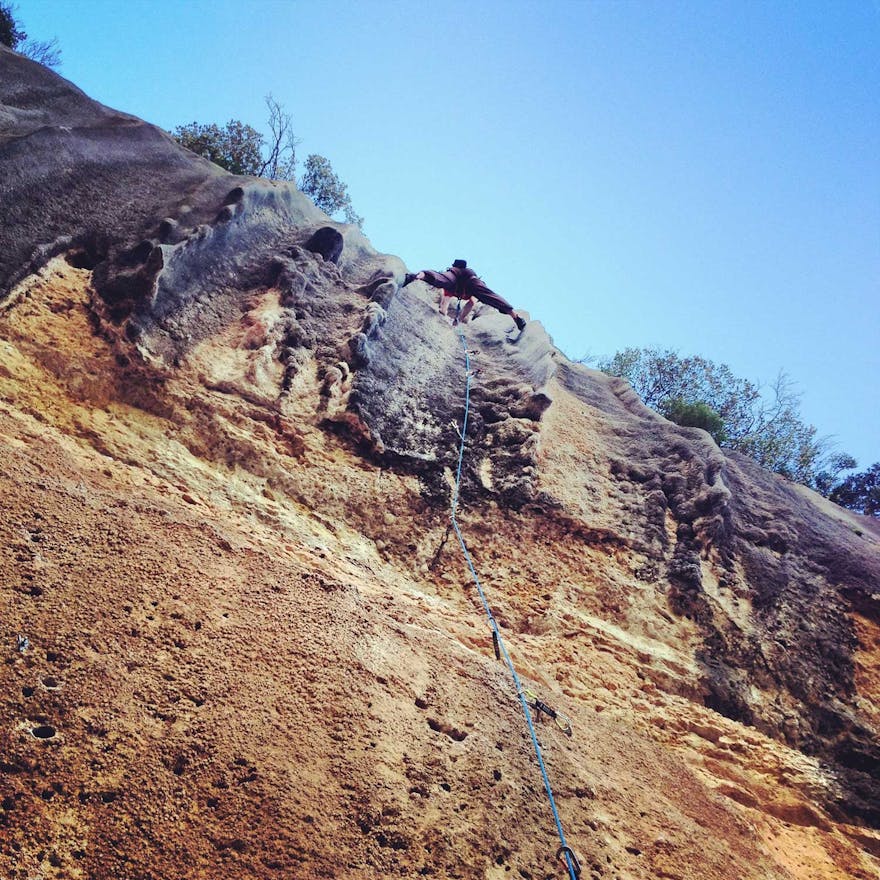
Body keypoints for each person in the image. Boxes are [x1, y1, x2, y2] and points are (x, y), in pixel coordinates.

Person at [402, 259, 526, 331]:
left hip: (457, 278)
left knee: (438, 277)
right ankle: (515, 317)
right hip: (472, 280)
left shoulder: (453, 275)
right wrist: (458, 320)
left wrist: (444, 314)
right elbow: (472, 302)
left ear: (454, 266)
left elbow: (444, 304)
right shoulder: (469, 279)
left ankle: (416, 276)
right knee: (490, 296)